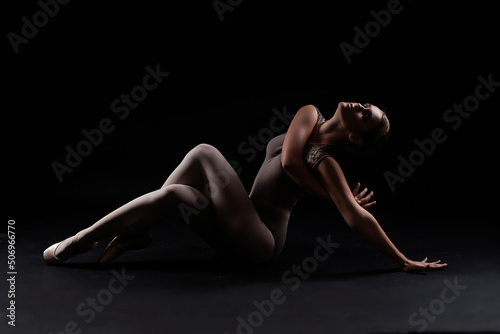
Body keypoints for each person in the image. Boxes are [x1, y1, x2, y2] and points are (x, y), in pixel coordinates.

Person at [43, 103, 447, 272]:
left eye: (365, 115)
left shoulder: (327, 163)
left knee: (196, 166)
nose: (360, 105)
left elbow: (355, 217)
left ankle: (83, 240)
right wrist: (337, 200)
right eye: (366, 103)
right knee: (186, 182)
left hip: (260, 239)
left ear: (356, 138)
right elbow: (289, 157)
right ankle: (135, 232)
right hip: (237, 220)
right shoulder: (309, 115)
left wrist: (403, 260)